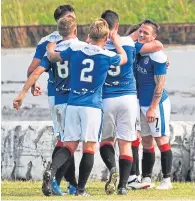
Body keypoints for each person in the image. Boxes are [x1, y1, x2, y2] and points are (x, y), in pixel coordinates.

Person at [44, 17, 127, 196]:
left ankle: (52, 170)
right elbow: (124, 58)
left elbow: (53, 57)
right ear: (105, 39)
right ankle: (80, 190)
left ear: (88, 35)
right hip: (92, 107)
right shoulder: (107, 56)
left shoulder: (75, 49)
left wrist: (50, 46)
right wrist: (117, 43)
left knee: (68, 146)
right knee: (89, 148)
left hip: (73, 104)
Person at [14, 5, 78, 195]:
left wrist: (30, 88)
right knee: (70, 141)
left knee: (65, 139)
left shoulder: (47, 42)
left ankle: (69, 184)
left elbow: (32, 69)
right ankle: (60, 180)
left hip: (55, 96)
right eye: (69, 18)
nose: (73, 21)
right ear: (61, 21)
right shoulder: (73, 42)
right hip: (72, 96)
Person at [99, 10, 164, 195]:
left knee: (105, 142)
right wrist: (164, 60)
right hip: (128, 99)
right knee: (126, 143)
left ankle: (113, 170)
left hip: (106, 98)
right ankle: (122, 187)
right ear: (117, 26)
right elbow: (156, 45)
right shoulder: (128, 44)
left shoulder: (96, 45)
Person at [135, 19, 172, 190]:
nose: (142, 35)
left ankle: (166, 180)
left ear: (154, 37)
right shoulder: (137, 50)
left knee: (161, 139)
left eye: (146, 33)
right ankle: (146, 179)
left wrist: (152, 107)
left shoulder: (157, 55)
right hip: (140, 104)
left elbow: (160, 84)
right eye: (140, 31)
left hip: (156, 105)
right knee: (146, 142)